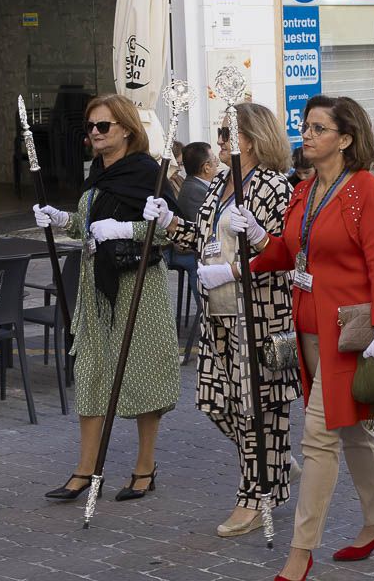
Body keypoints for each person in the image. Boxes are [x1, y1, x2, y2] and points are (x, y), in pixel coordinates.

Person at [239, 95, 374, 581]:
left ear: (346, 139)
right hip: (308, 331)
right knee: (350, 429)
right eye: (305, 126)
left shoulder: (366, 190)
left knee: (318, 439)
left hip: (349, 336)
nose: (306, 135)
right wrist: (256, 241)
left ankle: (300, 551)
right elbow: (292, 253)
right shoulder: (305, 190)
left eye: (318, 128)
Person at [143, 104, 303, 536]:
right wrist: (170, 221)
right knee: (217, 401)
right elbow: (200, 235)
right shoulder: (220, 182)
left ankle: (254, 495)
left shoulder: (272, 186)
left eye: (227, 133)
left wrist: (241, 256)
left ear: (251, 138)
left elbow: (280, 253)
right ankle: (271, 457)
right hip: (217, 311)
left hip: (261, 314)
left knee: (257, 408)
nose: (220, 141)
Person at [35, 94, 180, 503]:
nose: (95, 134)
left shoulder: (148, 174)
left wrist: (126, 230)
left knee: (142, 372)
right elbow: (87, 225)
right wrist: (62, 220)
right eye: (91, 127)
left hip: (138, 287)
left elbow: (169, 230)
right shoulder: (97, 174)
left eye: (104, 127)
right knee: (92, 371)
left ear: (128, 130)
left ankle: (145, 467)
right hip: (94, 288)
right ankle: (84, 469)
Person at [166, 141, 218, 313]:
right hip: (186, 250)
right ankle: (209, 311)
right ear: (206, 168)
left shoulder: (197, 185)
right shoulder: (195, 190)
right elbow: (205, 229)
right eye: (215, 160)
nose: (218, 163)